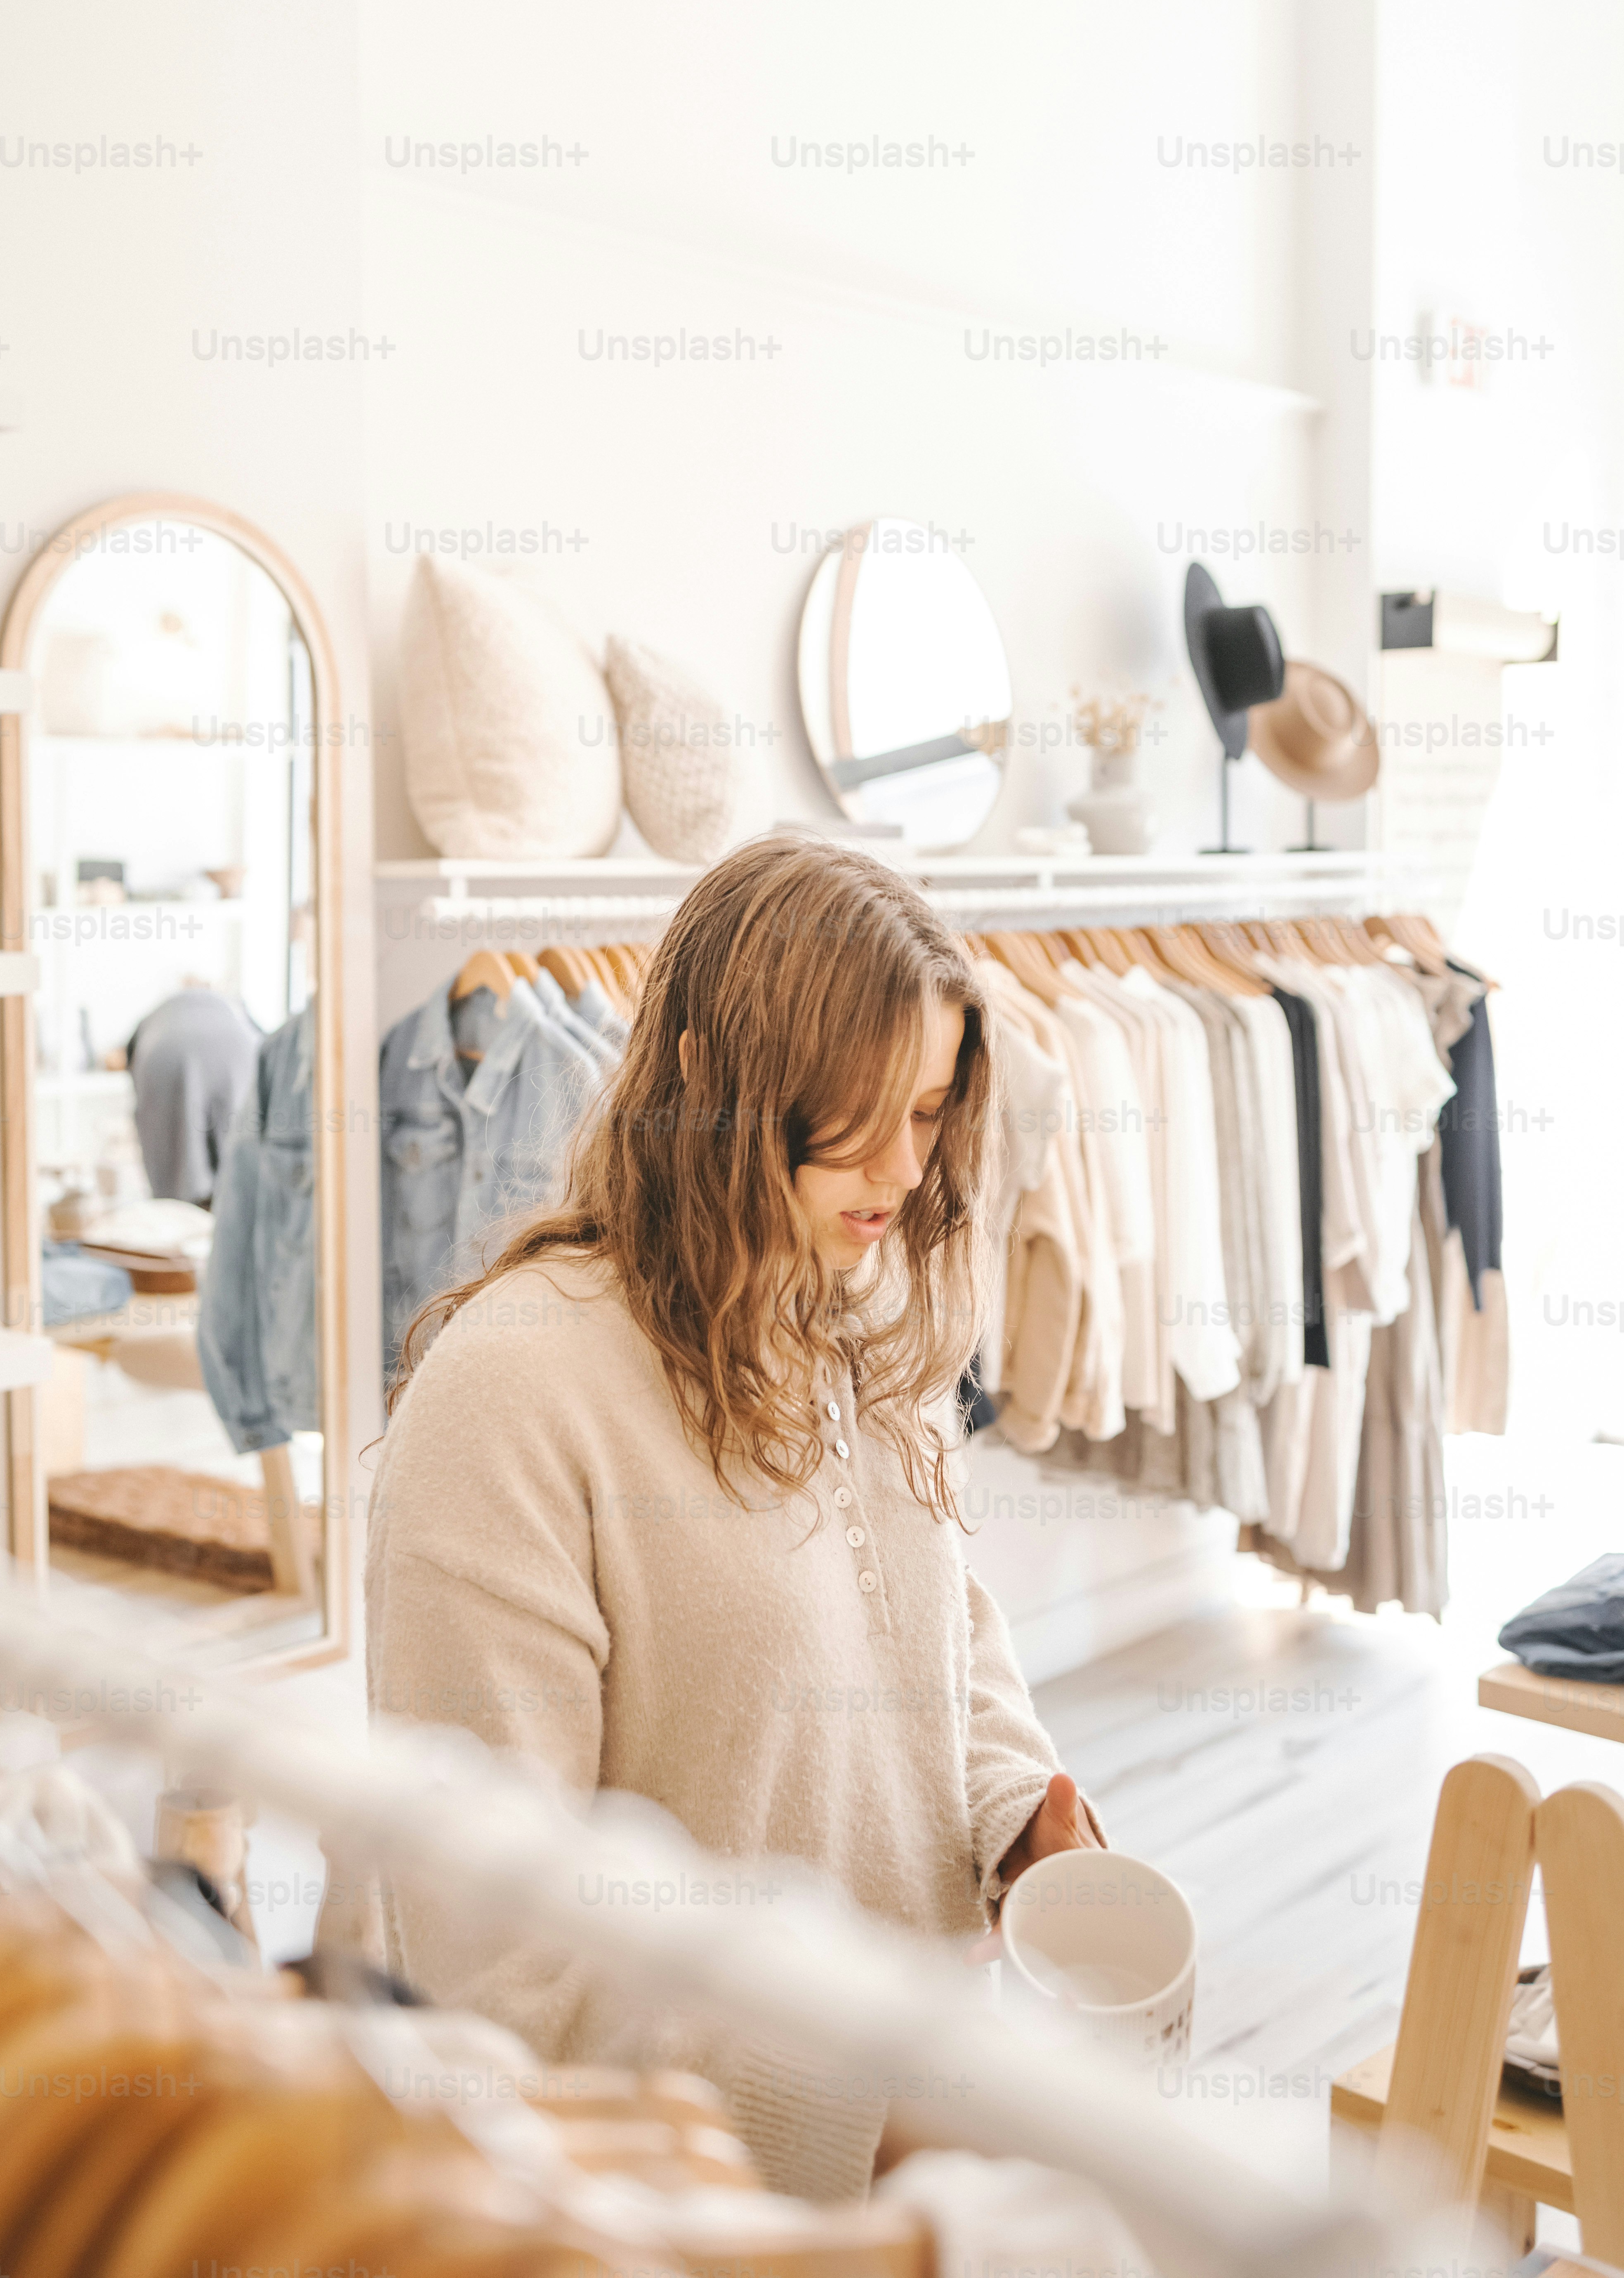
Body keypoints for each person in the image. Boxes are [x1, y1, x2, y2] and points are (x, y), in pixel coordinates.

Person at [365, 832, 1104, 2198]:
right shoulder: (512, 1397)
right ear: (708, 1078)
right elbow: (492, 1954)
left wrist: (1016, 1815)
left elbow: (942, 1623)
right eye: (859, 1111)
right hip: (679, 2203)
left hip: (918, 2160)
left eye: (933, 1110)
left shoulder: (857, 1303)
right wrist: (861, 2110)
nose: (898, 1167)